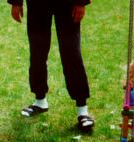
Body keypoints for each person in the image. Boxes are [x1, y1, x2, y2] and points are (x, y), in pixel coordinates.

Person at [7, 0, 94, 132]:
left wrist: (80, 2)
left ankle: (82, 111)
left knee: (71, 53)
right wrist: (16, 2)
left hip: (67, 3)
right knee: (37, 53)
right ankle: (40, 101)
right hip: (37, 4)